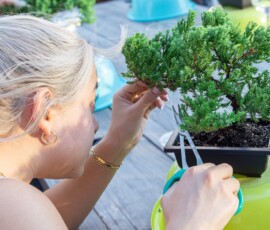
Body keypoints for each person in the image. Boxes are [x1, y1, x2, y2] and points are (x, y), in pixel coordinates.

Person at [0, 13, 240, 230]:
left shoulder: (15, 206)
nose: (95, 125)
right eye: (89, 106)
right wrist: (192, 223)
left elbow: (46, 219)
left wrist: (117, 142)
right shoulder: (12, 201)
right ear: (45, 112)